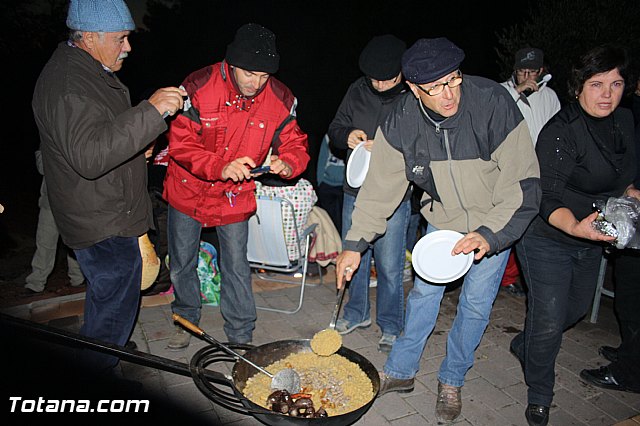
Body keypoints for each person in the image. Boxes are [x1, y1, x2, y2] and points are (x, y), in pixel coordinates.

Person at [335, 37, 540, 422]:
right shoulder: (401, 122)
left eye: (453, 80)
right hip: (442, 221)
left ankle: (452, 379)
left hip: (493, 221)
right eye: (435, 87)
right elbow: (379, 192)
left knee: (475, 305)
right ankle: (400, 371)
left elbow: (523, 183)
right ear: (413, 89)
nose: (449, 94)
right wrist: (353, 245)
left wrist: (491, 235)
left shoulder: (492, 102)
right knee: (423, 298)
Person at [31, 0, 186, 373]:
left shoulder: (87, 69)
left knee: (109, 299)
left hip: (104, 207)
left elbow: (102, 136)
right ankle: (99, 364)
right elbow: (90, 156)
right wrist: (150, 111)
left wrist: (139, 148)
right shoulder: (69, 85)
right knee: (114, 300)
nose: (128, 47)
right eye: (121, 39)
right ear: (89, 37)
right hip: (100, 218)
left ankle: (107, 344)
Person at [510, 44, 637, 426]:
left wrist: (629, 193)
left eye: (616, 84)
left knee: (576, 309)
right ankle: (540, 396)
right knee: (548, 321)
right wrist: (575, 226)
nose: (607, 94)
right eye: (597, 84)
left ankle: (525, 343)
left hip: (592, 239)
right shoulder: (561, 131)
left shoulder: (626, 122)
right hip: (548, 235)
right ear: (579, 86)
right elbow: (546, 196)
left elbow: (624, 172)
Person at [163, 23, 309, 349]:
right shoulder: (199, 86)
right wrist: (219, 166)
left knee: (237, 267)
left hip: (234, 195)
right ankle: (185, 321)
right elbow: (182, 145)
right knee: (181, 264)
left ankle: (241, 336)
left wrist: (288, 163)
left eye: (264, 76)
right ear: (231, 64)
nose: (256, 84)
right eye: (249, 74)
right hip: (188, 189)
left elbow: (296, 144)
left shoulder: (281, 98)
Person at [328, 34, 411, 353]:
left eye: (386, 79)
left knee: (390, 265)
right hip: (355, 189)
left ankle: (391, 325)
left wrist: (389, 148)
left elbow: (422, 145)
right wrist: (347, 136)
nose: (379, 84)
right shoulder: (357, 89)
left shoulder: (411, 97)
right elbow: (335, 128)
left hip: (394, 193)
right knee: (355, 255)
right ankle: (356, 313)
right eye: (373, 79)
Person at [579, 76, 640, 395]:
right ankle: (632, 351)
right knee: (629, 290)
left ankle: (630, 372)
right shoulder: (630, 114)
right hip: (632, 211)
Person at [499, 47, 561, 297]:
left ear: (541, 71)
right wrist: (517, 93)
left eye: (532, 71)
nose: (527, 76)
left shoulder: (551, 97)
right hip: (506, 170)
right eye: (522, 71)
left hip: (538, 170)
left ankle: (513, 277)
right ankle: (498, 276)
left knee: (530, 225)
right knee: (504, 223)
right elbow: (494, 117)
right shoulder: (501, 91)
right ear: (514, 71)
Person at [24, 149, 85, 294]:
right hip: (49, 202)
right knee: (44, 243)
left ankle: (78, 279)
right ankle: (35, 283)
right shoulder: (45, 140)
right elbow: (42, 168)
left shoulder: (72, 136)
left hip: (73, 201)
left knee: (76, 241)